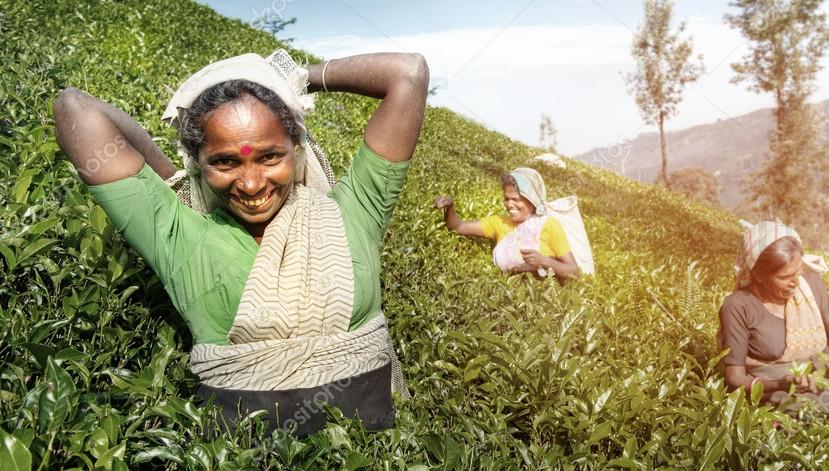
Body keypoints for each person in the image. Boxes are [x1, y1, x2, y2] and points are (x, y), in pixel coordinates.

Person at [53, 49, 429, 435]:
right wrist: (175, 182)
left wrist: (293, 77)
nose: (251, 184)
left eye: (269, 157)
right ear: (199, 163)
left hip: (372, 464)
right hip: (244, 469)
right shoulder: (181, 239)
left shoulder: (355, 212)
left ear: (296, 150)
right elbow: (74, 109)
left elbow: (408, 73)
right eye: (225, 162)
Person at [717, 221, 829, 414]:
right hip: (770, 391)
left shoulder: (812, 284)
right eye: (784, 277)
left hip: (822, 382)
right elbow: (735, 378)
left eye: (798, 272)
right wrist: (779, 384)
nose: (796, 283)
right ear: (759, 275)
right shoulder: (738, 305)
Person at [434, 167, 580, 282]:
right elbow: (458, 227)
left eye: (516, 199)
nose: (509, 204)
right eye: (506, 199)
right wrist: (450, 207)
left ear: (532, 200)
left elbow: (574, 272)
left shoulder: (549, 225)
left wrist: (544, 261)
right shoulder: (499, 223)